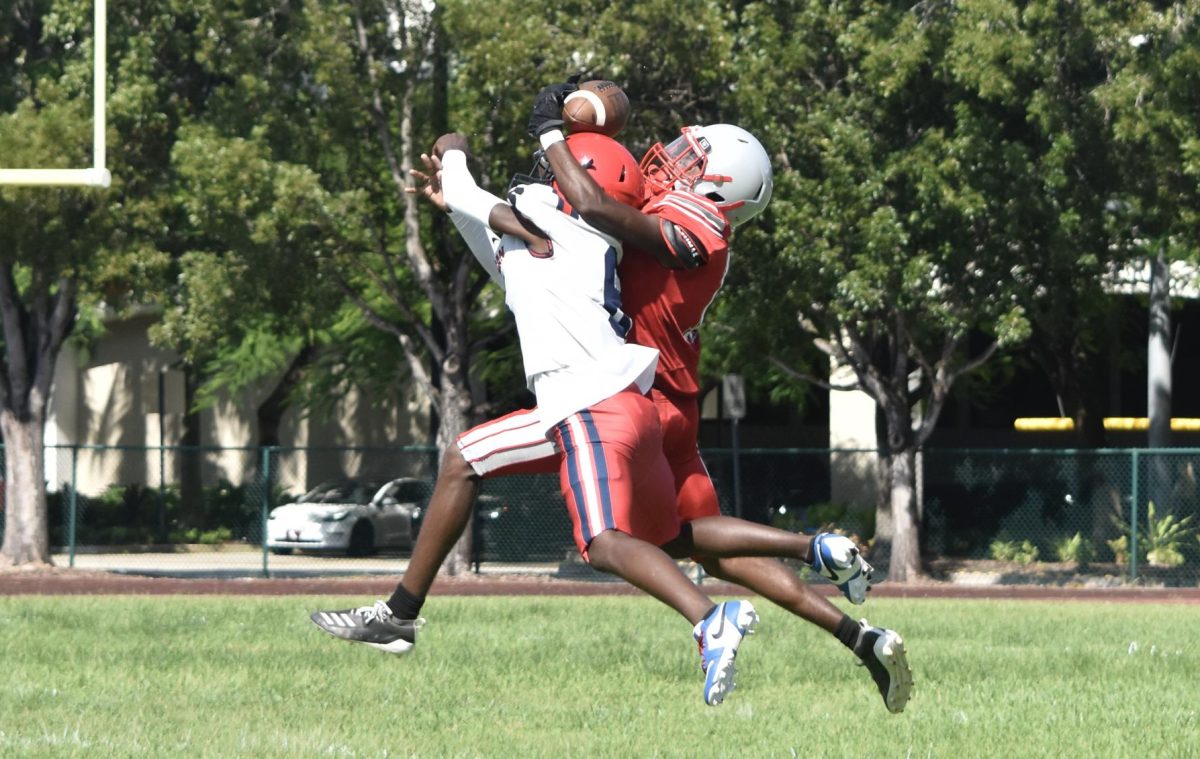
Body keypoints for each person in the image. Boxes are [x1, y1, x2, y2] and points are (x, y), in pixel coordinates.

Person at [313, 83, 912, 713]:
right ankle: (843, 606)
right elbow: (521, 256)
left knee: (617, 542)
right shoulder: (595, 225)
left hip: (628, 395)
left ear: (721, 187)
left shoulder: (696, 224)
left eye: (693, 157)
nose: (671, 157)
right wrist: (474, 202)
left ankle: (719, 615)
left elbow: (589, 203)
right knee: (680, 539)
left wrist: (543, 130)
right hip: (625, 394)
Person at [317, 130, 758, 706]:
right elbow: (502, 262)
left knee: (603, 544)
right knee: (465, 459)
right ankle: (399, 616)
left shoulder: (556, 221)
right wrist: (457, 209)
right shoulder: (566, 240)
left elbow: (479, 197)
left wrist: (454, 150)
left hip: (590, 404)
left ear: (580, 182)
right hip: (591, 405)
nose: (547, 177)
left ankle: (708, 619)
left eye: (562, 171)